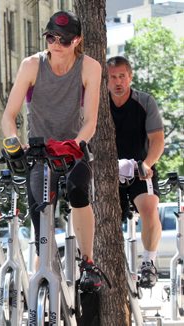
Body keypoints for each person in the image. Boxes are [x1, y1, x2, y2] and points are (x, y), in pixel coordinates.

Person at [1, 11, 103, 292]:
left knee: (78, 189)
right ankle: (45, 271)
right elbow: (9, 116)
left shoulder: (89, 67)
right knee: (38, 213)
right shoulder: (32, 65)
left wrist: (77, 143)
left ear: (77, 40)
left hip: (73, 146)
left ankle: (88, 262)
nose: (56, 44)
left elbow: (91, 121)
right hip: (39, 150)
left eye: (64, 40)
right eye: (50, 37)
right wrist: (12, 141)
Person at [107, 56, 164, 288]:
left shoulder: (145, 101)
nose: (118, 82)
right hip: (108, 172)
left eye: (122, 76)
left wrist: (148, 163)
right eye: (113, 77)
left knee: (149, 207)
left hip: (140, 168)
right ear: (106, 81)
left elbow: (157, 140)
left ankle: (149, 263)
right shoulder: (97, 103)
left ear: (130, 77)